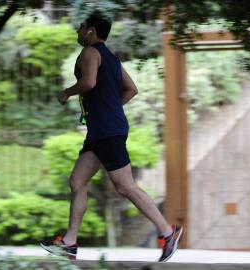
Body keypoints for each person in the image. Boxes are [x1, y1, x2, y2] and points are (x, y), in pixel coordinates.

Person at [40, 11, 184, 262]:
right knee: (77, 181)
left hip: (106, 130)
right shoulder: (112, 59)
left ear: (91, 31)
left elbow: (89, 83)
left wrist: (66, 92)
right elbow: (132, 89)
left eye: (81, 27)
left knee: (124, 185)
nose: (78, 31)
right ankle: (69, 243)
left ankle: (167, 232)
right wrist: (110, 107)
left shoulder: (89, 53)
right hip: (102, 129)